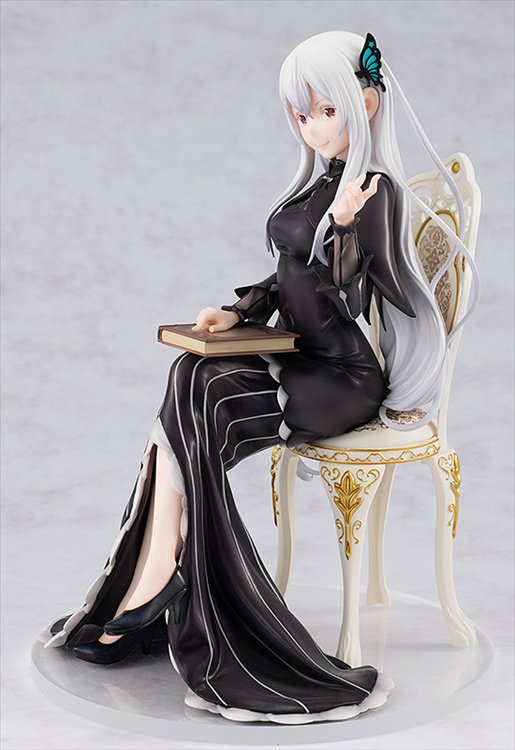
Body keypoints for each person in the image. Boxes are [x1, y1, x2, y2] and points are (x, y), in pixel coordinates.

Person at [42, 30, 478, 724]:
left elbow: (348, 298)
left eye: (325, 111)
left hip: (342, 377)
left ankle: (155, 578)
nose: (311, 127)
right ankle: (158, 572)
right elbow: (287, 278)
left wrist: (342, 230)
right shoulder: (322, 184)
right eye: (301, 114)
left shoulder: (374, 194)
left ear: (365, 103)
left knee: (199, 389)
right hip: (300, 357)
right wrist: (236, 312)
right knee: (191, 371)